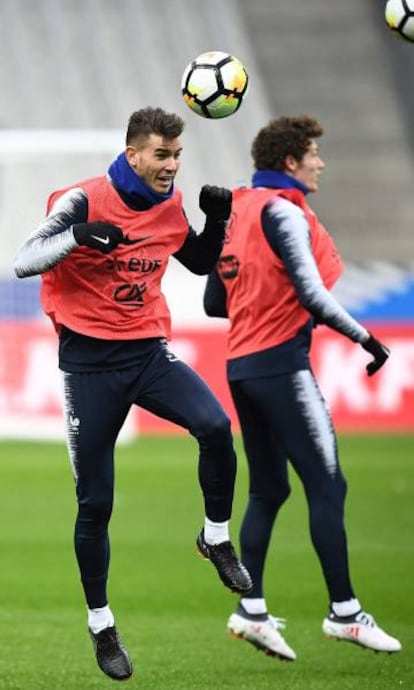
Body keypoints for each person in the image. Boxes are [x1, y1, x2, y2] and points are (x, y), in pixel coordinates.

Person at [14, 106, 252, 682]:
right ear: (133, 154)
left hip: (146, 352)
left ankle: (214, 538)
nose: (172, 166)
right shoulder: (82, 199)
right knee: (96, 504)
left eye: (177, 155)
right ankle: (101, 624)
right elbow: (24, 261)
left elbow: (194, 261)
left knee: (216, 427)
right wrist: (77, 236)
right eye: (161, 155)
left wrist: (216, 220)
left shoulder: (169, 203)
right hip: (88, 367)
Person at [203, 115, 402, 660]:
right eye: (313, 153)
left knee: (269, 490)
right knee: (328, 486)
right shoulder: (282, 211)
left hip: (241, 369)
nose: (321, 162)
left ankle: (251, 609)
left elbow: (213, 305)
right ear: (290, 162)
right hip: (282, 368)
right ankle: (344, 614)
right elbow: (312, 293)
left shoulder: (239, 210)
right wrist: (367, 338)